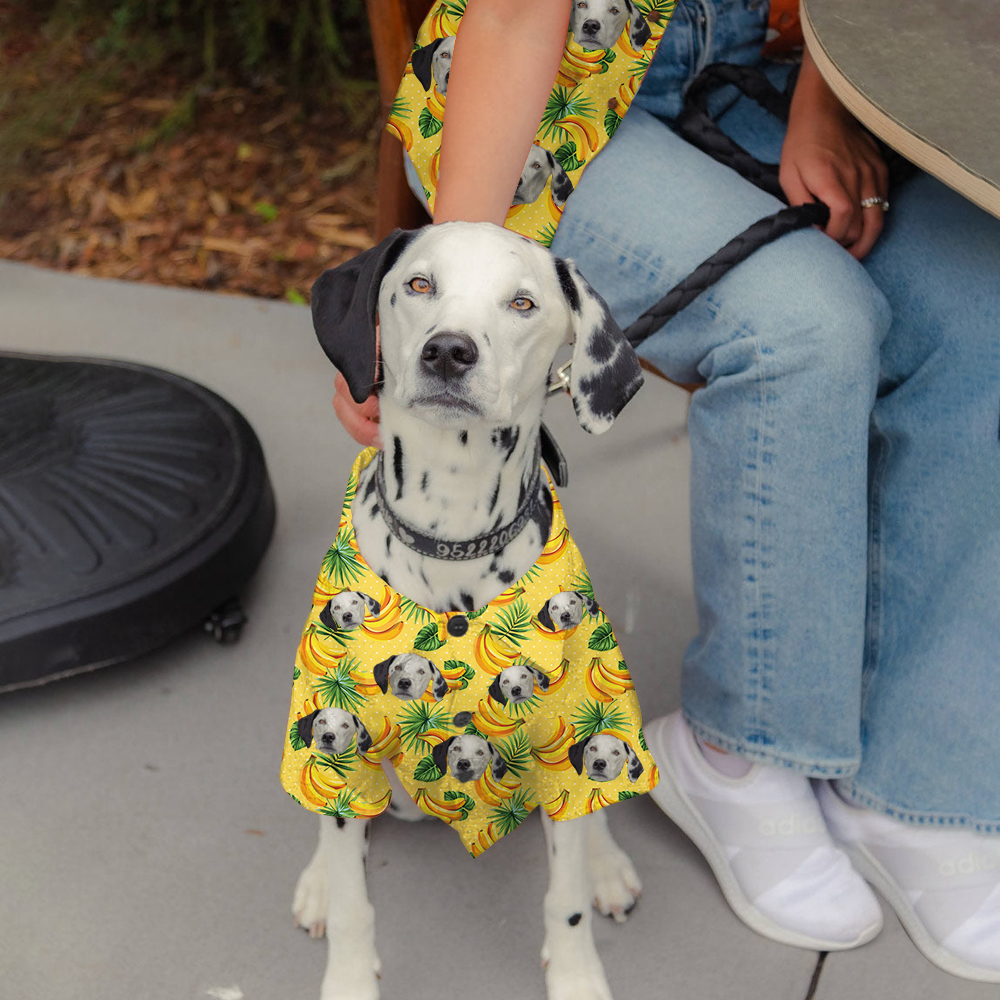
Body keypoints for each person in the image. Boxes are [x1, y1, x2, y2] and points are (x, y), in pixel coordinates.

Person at [334, 0, 1000, 981]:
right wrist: (449, 282)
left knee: (982, 313)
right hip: (551, 94)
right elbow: (518, 21)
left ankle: (916, 780)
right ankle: (738, 749)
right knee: (805, 326)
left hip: (786, 62)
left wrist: (826, 97)